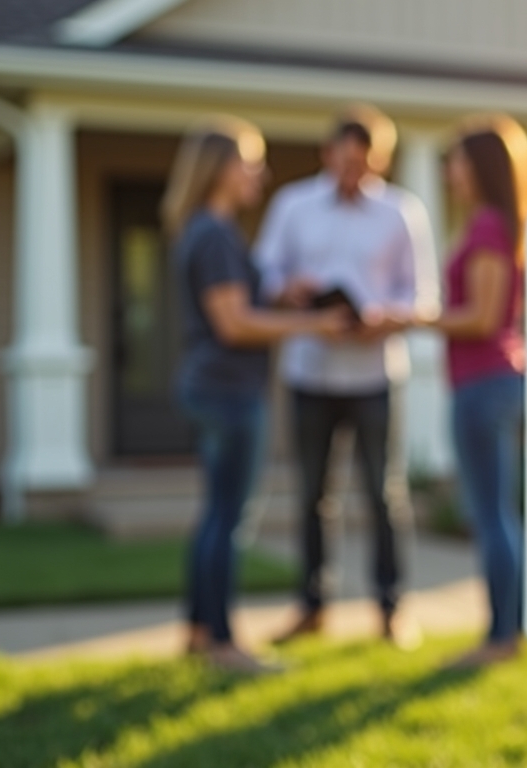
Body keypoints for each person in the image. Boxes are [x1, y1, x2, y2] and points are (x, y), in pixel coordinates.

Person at [162, 117, 344, 672]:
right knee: (228, 518)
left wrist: (284, 295)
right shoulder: (215, 233)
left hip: (212, 386)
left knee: (215, 515)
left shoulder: (203, 229)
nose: (259, 175)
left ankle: (198, 632)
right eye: (250, 162)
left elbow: (241, 306)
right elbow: (235, 324)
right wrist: (317, 326)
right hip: (229, 392)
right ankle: (222, 642)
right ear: (221, 168)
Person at [257, 105, 437, 647]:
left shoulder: (402, 212)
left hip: (375, 374)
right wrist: (289, 291)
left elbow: (422, 295)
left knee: (383, 494)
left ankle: (391, 608)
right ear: (327, 154)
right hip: (309, 372)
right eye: (343, 161)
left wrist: (384, 315)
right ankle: (312, 606)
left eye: (363, 164)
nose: (351, 173)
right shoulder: (293, 205)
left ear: (378, 161)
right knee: (313, 494)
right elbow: (266, 272)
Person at [426, 114, 527, 668]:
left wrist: (416, 317)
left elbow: (483, 318)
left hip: (484, 384)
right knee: (499, 512)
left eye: (457, 161)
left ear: (479, 167)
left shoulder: (488, 227)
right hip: (493, 383)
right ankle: (507, 632)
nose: (450, 172)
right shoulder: (494, 224)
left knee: (491, 513)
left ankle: (501, 638)